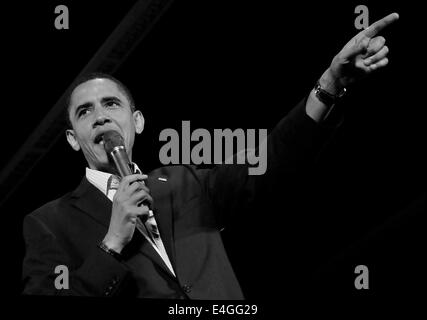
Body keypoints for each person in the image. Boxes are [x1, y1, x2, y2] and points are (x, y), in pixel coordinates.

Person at [22, 13, 399, 298]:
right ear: (73, 139)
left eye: (111, 104)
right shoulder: (49, 222)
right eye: (85, 111)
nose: (100, 115)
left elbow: (270, 161)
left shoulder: (185, 181)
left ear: (136, 122)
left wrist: (329, 86)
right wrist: (111, 243)